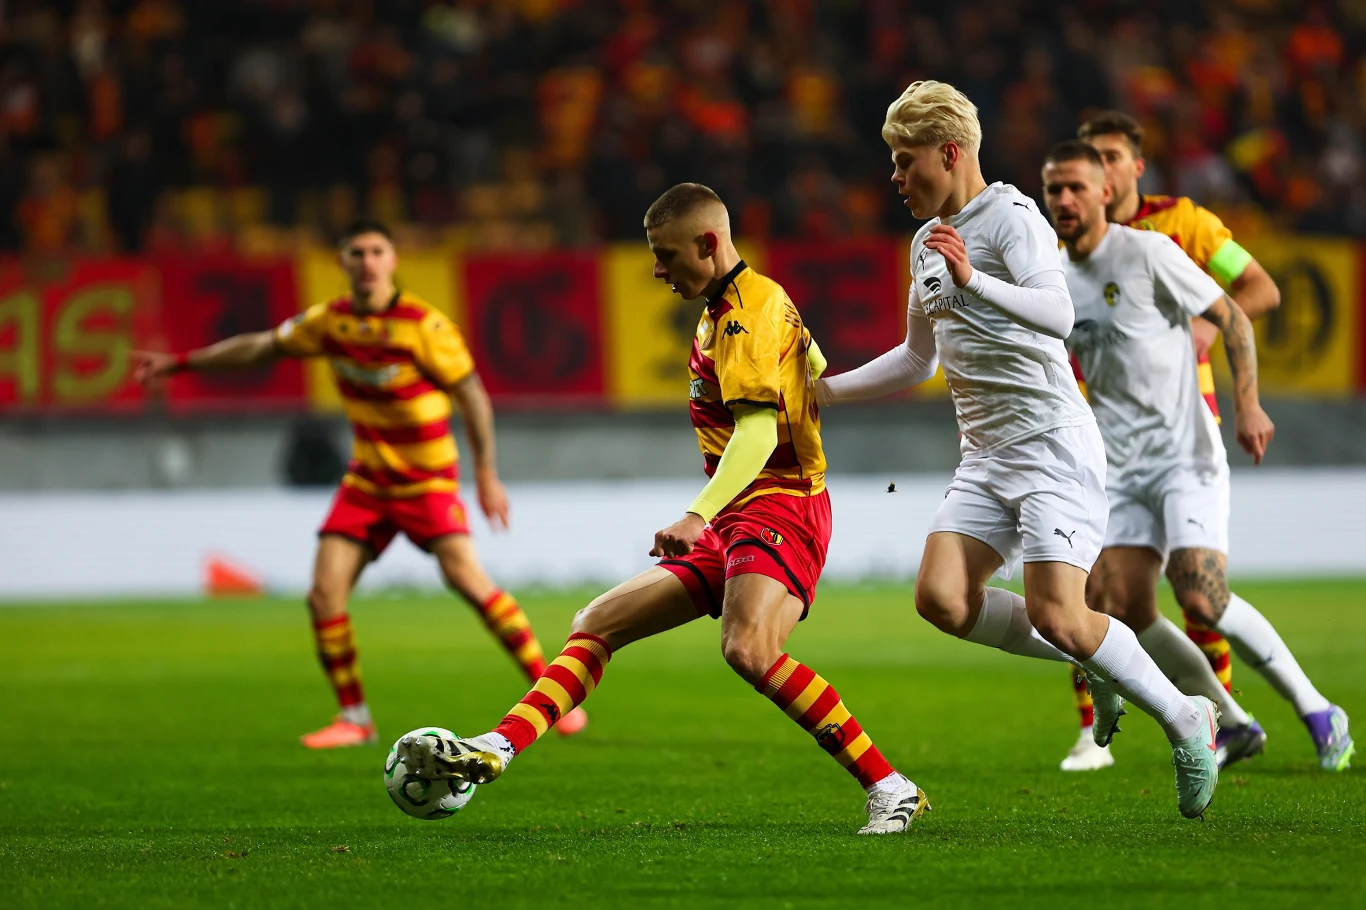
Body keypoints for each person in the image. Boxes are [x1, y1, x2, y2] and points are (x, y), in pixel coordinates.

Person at [396, 183, 929, 836]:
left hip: (778, 507)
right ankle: (497, 747)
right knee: (596, 622)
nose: (656, 269)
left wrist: (698, 513)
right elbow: (813, 364)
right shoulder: (740, 303)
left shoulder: (742, 317)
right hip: (742, 514)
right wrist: (804, 399)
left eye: (665, 254)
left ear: (708, 244)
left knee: (749, 649)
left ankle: (889, 786)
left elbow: (758, 434)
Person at [816, 81, 1219, 818]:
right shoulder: (922, 241)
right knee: (941, 598)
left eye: (906, 163)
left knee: (1060, 613)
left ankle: (1185, 716)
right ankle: (1099, 656)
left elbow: (1059, 313)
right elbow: (917, 359)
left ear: (951, 151)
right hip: (985, 454)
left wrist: (974, 281)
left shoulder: (1010, 217)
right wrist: (826, 395)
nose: (897, 178)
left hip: (1052, 448)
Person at [131, 219, 585, 748]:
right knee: (324, 594)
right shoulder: (331, 322)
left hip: (426, 480)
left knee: (470, 583)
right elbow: (260, 347)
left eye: (376, 251)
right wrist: (181, 365)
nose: (367, 261)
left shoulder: (425, 327)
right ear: (341, 262)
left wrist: (485, 473)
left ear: (393, 260)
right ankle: (354, 719)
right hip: (367, 480)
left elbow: (474, 397)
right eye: (356, 252)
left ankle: (554, 699)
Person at [1043, 141, 1351, 777]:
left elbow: (1235, 312)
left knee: (1203, 597)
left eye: (1076, 187)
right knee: (1121, 607)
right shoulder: (1053, 277)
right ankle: (1231, 721)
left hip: (1185, 454)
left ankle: (1319, 710)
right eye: (1054, 190)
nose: (1064, 201)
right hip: (1119, 469)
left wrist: (1249, 403)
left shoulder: (1155, 248)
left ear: (1108, 189)